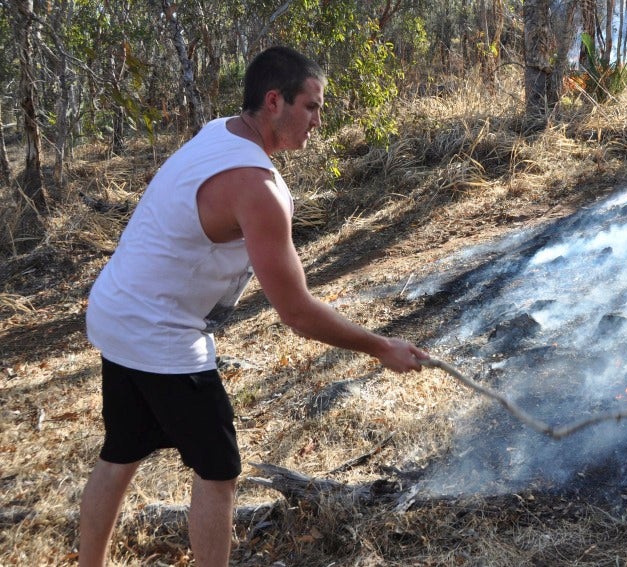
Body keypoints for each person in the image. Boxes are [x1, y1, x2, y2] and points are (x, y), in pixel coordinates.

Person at [78, 46, 427, 566]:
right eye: (311, 106)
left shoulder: (220, 131)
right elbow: (298, 313)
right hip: (159, 332)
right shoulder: (258, 188)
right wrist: (381, 347)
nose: (318, 119)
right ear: (274, 101)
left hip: (115, 309)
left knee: (121, 452)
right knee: (219, 473)